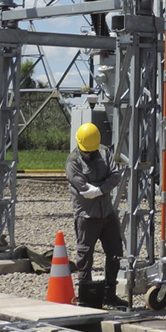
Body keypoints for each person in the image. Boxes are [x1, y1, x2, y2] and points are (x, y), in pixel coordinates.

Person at [65, 123, 128, 308]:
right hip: (87, 216)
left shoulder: (104, 153)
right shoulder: (73, 162)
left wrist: (99, 188)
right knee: (85, 256)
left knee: (115, 252)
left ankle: (110, 294)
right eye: (87, 152)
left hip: (107, 213)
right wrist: (102, 186)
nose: (90, 154)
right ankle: (86, 296)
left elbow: (115, 175)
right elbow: (83, 187)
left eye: (92, 151)